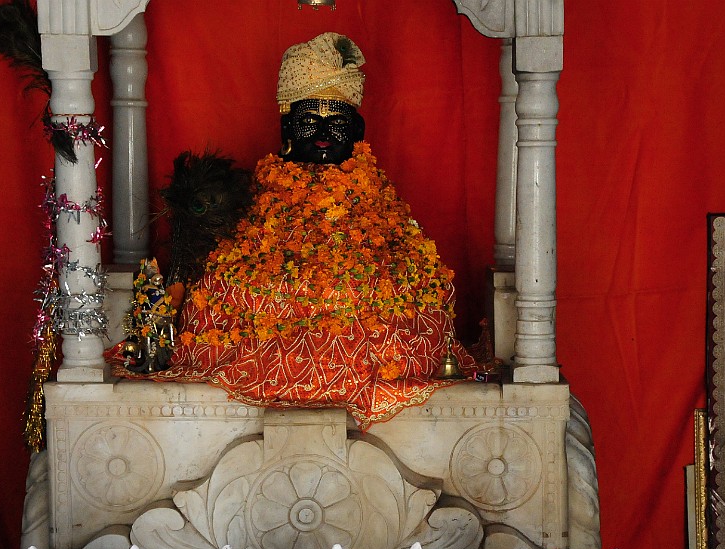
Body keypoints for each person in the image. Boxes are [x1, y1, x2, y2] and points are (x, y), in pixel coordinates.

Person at [116, 33, 472, 427]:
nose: (322, 132)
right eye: (309, 121)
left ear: (358, 133)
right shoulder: (257, 201)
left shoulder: (380, 206)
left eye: (337, 123)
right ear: (287, 128)